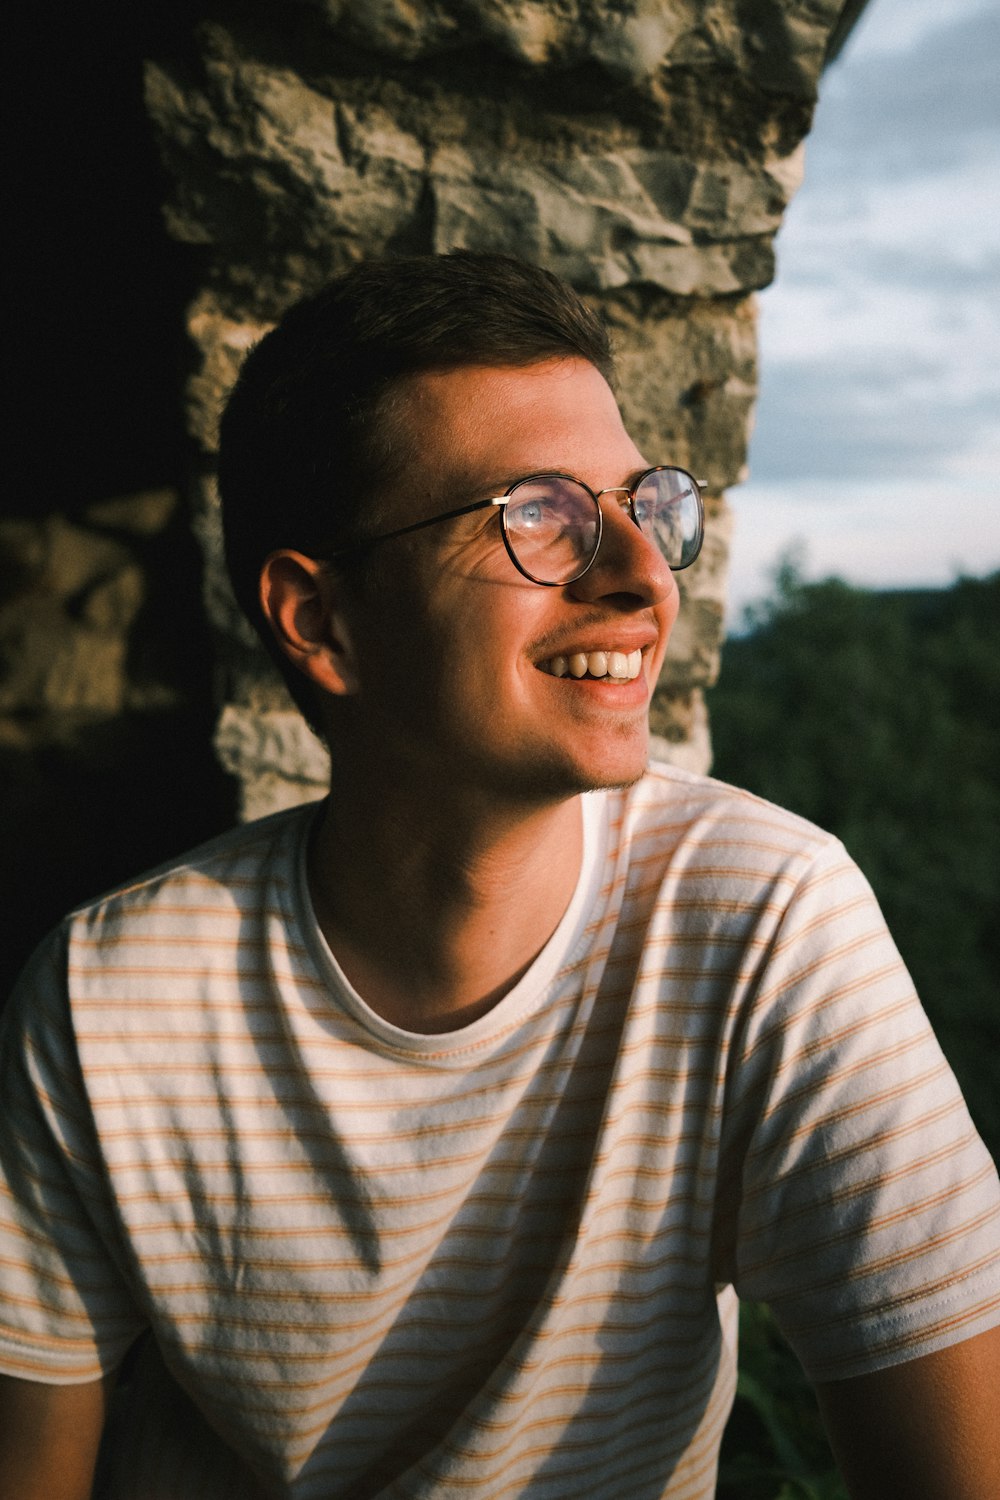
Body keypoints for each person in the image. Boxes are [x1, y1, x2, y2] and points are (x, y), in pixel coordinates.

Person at [1, 252, 998, 1500]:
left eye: (643, 503)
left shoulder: (762, 926)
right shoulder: (105, 1003)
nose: (642, 575)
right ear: (321, 623)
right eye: (538, 513)